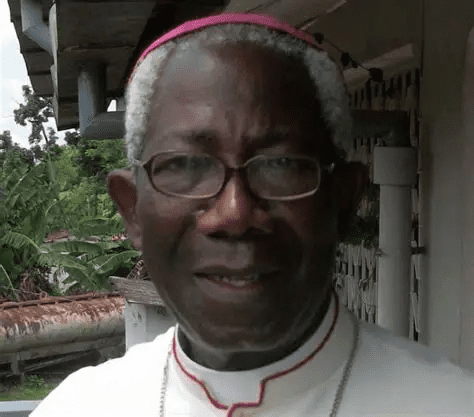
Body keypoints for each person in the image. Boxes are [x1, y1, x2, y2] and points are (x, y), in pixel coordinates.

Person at [31, 13, 474, 417]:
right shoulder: (78, 408)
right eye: (187, 164)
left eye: (280, 164)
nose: (235, 213)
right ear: (132, 210)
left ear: (344, 200)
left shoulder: (451, 404)